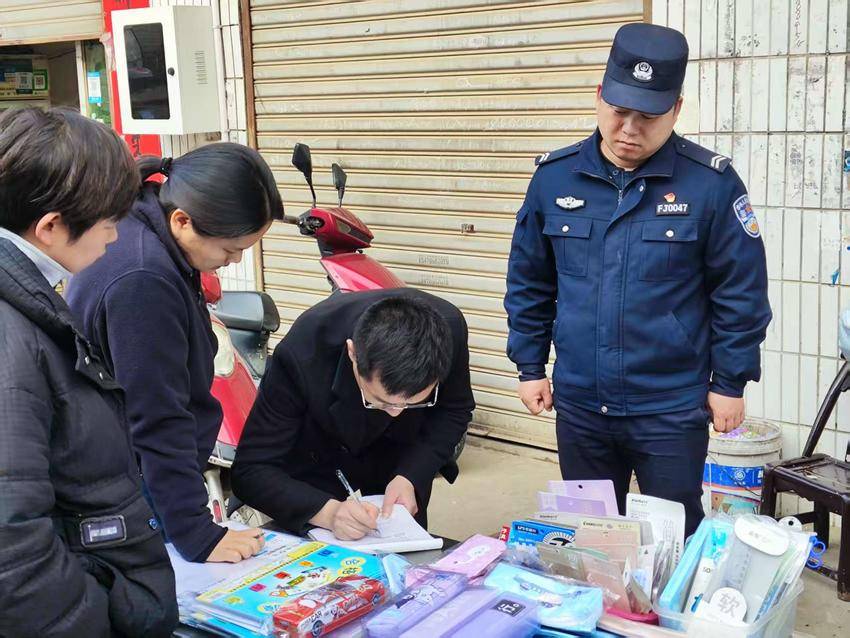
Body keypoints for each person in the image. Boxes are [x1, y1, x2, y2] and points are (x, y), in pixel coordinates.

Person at [504, 23, 771, 536]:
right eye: (618, 110)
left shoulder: (710, 185)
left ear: (676, 109)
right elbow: (530, 282)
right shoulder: (554, 178)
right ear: (598, 96)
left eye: (647, 116)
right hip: (580, 402)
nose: (629, 129)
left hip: (669, 407)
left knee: (673, 536)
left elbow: (741, 291)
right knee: (591, 535)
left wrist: (729, 382)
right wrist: (530, 365)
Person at [0, 107, 177, 636]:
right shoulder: (12, 338)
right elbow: (12, 551)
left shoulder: (29, 302)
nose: (114, 239)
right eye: (107, 224)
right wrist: (99, 611)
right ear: (51, 227)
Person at [66, 143, 283, 563]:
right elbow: (157, 418)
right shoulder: (143, 279)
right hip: (133, 481)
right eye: (229, 249)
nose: (235, 260)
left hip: (133, 470)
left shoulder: (144, 227)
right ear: (182, 220)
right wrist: (197, 533)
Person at [231, 288, 475, 540]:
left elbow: (455, 410)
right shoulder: (303, 352)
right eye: (380, 401)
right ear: (352, 353)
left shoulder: (448, 331)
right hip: (317, 472)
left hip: (398, 466)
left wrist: (411, 475)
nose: (395, 413)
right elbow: (251, 470)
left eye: (413, 403)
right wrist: (329, 513)